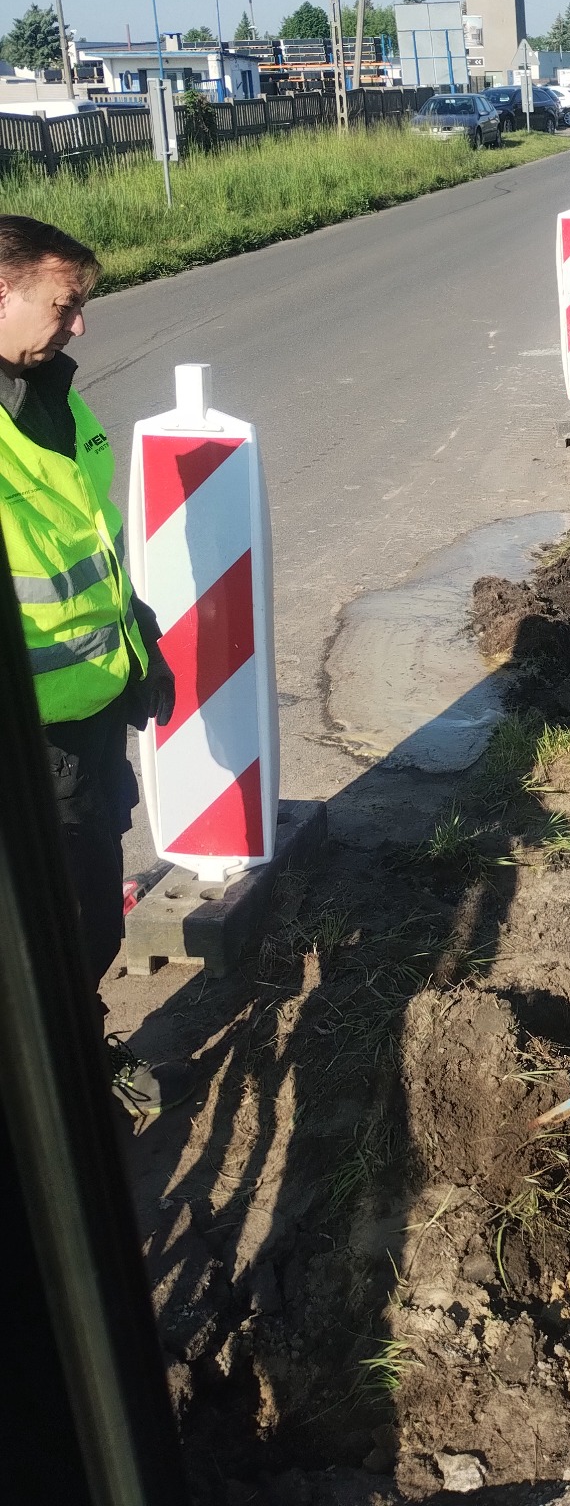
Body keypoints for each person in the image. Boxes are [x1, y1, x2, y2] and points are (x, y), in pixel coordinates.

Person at [0, 214, 189, 1117]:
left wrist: (138, 636)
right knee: (47, 933)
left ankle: (76, 1047)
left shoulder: (54, 397)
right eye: (63, 305)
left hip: (86, 717)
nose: (80, 325)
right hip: (27, 741)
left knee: (89, 920)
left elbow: (92, 545)